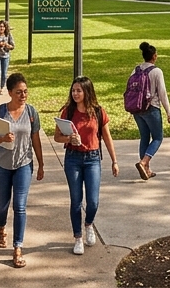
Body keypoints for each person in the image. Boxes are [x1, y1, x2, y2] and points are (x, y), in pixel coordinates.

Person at [0, 72, 45, 269]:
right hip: (1, 165)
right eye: (19, 92)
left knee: (20, 206)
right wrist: (1, 139)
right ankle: (1, 228)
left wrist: (41, 164)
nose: (23, 95)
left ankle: (17, 247)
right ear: (10, 93)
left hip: (23, 164)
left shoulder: (31, 112)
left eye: (25, 92)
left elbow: (35, 139)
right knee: (3, 203)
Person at [54, 77, 118, 255]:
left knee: (93, 201)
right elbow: (57, 137)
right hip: (73, 159)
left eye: (79, 91)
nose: (75, 93)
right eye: (73, 90)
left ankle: (89, 223)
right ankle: (78, 238)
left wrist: (114, 161)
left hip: (93, 159)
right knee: (76, 201)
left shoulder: (98, 112)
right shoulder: (67, 112)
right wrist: (68, 139)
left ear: (87, 92)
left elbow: (106, 137)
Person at [130, 42, 170, 180]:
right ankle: (143, 163)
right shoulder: (156, 71)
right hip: (152, 108)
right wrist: (168, 111)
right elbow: (162, 93)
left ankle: (146, 170)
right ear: (154, 56)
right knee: (157, 138)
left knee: (144, 137)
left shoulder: (136, 70)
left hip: (137, 109)